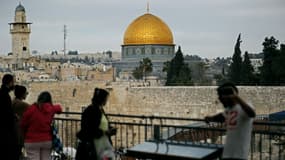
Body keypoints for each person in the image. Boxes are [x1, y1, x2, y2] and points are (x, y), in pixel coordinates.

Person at [205, 82, 256, 160]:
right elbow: (222, 116)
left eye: (221, 97)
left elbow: (252, 114)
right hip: (228, 153)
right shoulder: (229, 109)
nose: (220, 99)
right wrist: (210, 118)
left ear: (229, 96)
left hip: (239, 154)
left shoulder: (244, 107)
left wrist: (236, 97)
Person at [76, 88, 117, 160]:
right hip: (94, 148)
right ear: (101, 99)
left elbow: (101, 124)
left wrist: (109, 128)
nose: (106, 100)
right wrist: (107, 132)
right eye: (106, 98)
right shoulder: (92, 111)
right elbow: (92, 130)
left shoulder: (99, 109)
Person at [21, 91, 62, 160]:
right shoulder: (51, 109)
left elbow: (23, 123)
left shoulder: (32, 108)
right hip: (46, 140)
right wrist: (52, 107)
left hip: (32, 141)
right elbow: (59, 109)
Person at [0, 74, 20, 160]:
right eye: (13, 82)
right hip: (5, 130)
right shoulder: (5, 95)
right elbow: (6, 112)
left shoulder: (2, 93)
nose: (14, 84)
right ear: (10, 83)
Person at [12, 85, 30, 159]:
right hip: (18, 132)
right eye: (26, 93)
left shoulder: (14, 101)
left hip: (14, 131)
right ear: (22, 94)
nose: (27, 94)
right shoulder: (21, 104)